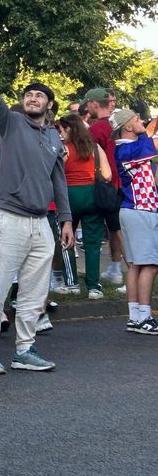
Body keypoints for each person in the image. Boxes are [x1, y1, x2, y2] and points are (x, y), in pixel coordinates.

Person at [0, 39, 73, 375]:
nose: (32, 98)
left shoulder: (54, 137)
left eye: (39, 95)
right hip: (9, 218)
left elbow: (59, 181)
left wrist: (66, 220)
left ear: (49, 105)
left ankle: (24, 350)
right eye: (28, 94)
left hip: (42, 222)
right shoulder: (11, 122)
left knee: (35, 290)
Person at [111, 109, 158, 335]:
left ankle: (135, 317)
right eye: (137, 119)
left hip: (135, 210)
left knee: (136, 265)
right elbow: (153, 141)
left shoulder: (130, 148)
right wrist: (154, 123)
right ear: (128, 127)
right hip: (140, 210)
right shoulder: (127, 149)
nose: (141, 122)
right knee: (150, 264)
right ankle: (144, 317)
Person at [56, 114, 111, 297]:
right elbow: (108, 174)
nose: (60, 133)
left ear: (68, 129)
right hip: (93, 196)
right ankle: (93, 286)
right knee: (93, 242)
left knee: (66, 238)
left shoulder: (64, 149)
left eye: (61, 129)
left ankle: (72, 283)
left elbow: (56, 173)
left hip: (69, 196)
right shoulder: (95, 147)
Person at [83, 87, 126, 286]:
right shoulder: (117, 125)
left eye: (88, 104)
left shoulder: (96, 129)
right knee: (116, 228)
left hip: (105, 184)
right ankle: (115, 269)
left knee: (116, 230)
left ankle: (131, 272)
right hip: (120, 182)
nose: (86, 108)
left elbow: (88, 156)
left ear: (94, 103)